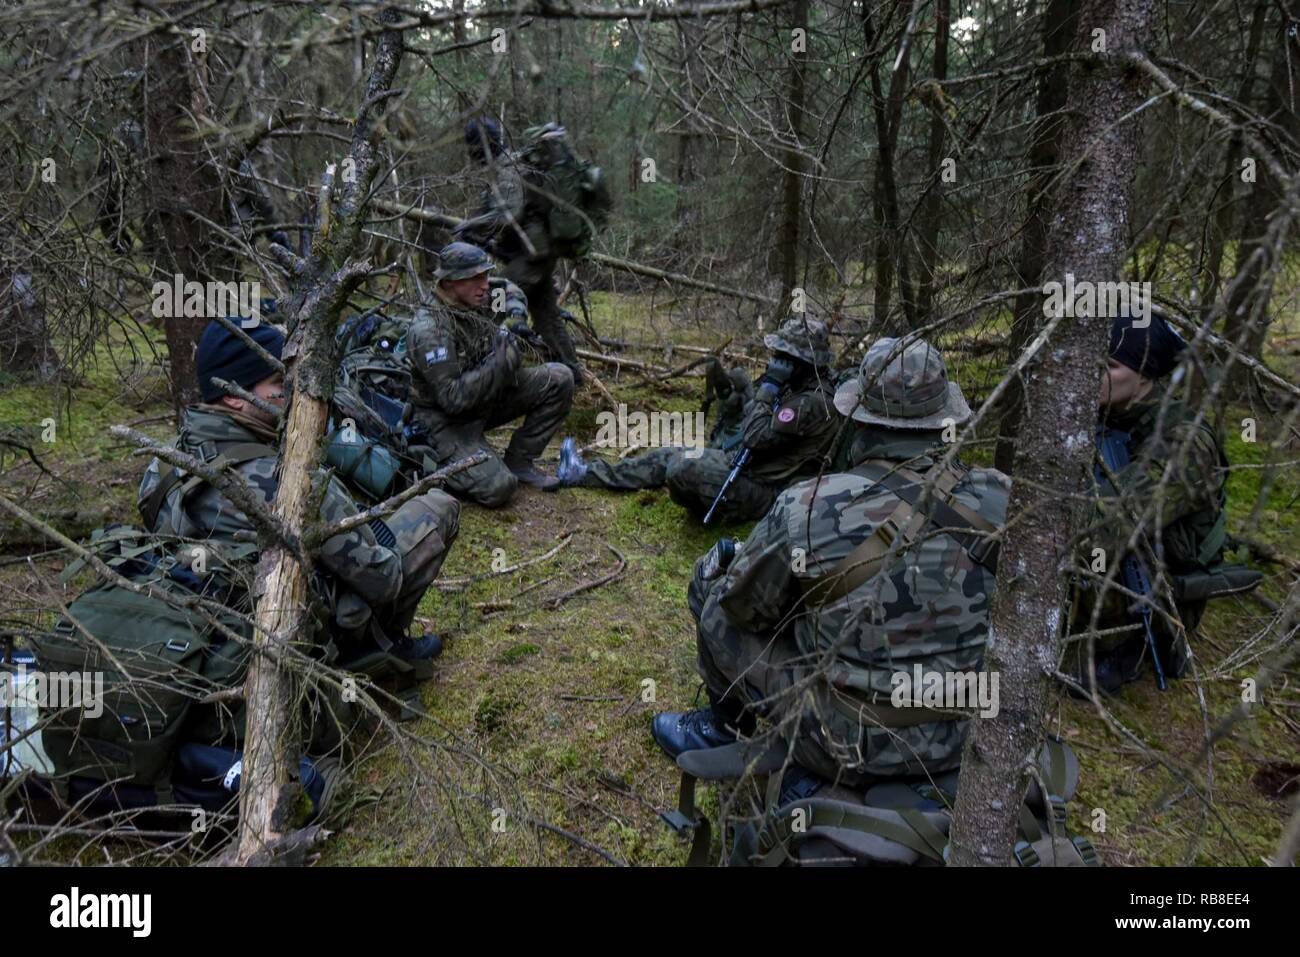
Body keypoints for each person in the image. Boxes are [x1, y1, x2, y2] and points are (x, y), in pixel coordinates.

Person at [651, 337, 1010, 795]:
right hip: (965, 734)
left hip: (845, 743)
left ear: (858, 418)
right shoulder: (1001, 499)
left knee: (713, 594)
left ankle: (723, 725)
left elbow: (743, 609)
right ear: (946, 419)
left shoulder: (808, 504)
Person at [137, 319, 460, 664]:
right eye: (279, 383)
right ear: (233, 395)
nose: (294, 394)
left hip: (212, 635)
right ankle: (376, 649)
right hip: (302, 636)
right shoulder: (286, 481)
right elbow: (383, 580)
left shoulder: (165, 463)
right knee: (439, 506)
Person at [1064, 309, 1244, 694]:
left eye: (1109, 366)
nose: (1092, 375)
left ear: (1145, 375)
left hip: (1161, 594)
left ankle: (1123, 651)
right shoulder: (1109, 413)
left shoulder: (1185, 443)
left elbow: (1106, 527)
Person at [557, 317, 839, 524]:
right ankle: (584, 473)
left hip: (768, 492)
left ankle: (718, 506)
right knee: (671, 454)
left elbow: (755, 436)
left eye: (783, 356)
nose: (776, 360)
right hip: (752, 466)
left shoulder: (812, 403)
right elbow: (754, 424)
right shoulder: (800, 387)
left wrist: (768, 388)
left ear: (802, 362)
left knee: (682, 467)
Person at [405, 241, 574, 505]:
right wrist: (500, 362)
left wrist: (515, 319)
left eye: (484, 274)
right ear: (449, 282)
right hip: (445, 423)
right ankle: (432, 465)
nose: (484, 284)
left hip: (484, 399)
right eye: (475, 278)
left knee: (560, 378)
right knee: (499, 488)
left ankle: (520, 461)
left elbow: (508, 288)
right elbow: (452, 399)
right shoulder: (431, 330)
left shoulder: (479, 296)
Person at [454, 117, 592, 384]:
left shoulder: (508, 169)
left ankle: (478, 375)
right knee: (547, 318)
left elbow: (508, 214)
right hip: (537, 253)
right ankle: (573, 374)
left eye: (473, 147)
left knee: (493, 303)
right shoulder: (509, 167)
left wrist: (469, 225)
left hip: (533, 256)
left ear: (480, 146)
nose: (472, 155)